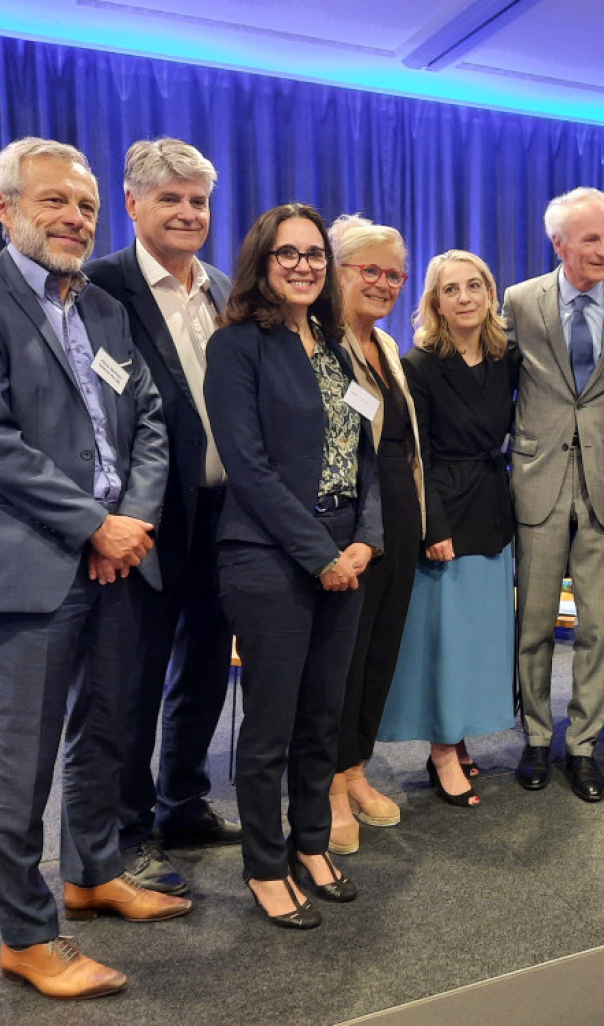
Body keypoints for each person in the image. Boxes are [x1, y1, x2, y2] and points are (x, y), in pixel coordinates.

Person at [0, 137, 189, 1001]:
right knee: (23, 757)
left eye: (84, 206)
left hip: (121, 558)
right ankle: (28, 935)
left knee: (107, 732)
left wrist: (134, 524)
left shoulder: (105, 309)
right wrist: (92, 527)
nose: (74, 218)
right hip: (36, 561)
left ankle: (91, 874)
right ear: (4, 208)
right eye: (54, 202)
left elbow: (149, 419)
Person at [204, 203, 383, 927]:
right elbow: (247, 468)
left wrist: (365, 540)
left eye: (314, 254)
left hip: (347, 555)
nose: (304, 264)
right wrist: (320, 556)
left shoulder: (339, 348)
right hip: (270, 558)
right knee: (271, 725)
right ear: (262, 262)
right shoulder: (237, 345)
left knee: (321, 718)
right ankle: (264, 864)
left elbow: (366, 458)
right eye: (289, 253)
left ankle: (312, 842)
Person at [84, 138, 239, 900]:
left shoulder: (221, 286)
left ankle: (184, 802)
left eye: (199, 201)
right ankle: (125, 832)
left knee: (207, 667)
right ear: (133, 203)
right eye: (171, 198)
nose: (187, 212)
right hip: (142, 519)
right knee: (133, 681)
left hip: (222, 514)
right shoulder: (98, 285)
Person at [503, 187, 604, 802]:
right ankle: (537, 738)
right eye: (590, 238)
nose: (603, 249)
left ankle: (584, 745)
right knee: (533, 624)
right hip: (537, 484)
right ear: (559, 243)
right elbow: (496, 381)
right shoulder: (520, 300)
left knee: (599, 625)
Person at [377, 250, 519, 807]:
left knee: (477, 641)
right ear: (434, 302)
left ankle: (456, 737)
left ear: (489, 293)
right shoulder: (419, 365)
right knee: (443, 643)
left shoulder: (507, 358)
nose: (464, 298)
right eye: (451, 289)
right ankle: (440, 753)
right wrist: (432, 525)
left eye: (474, 286)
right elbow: (418, 455)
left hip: (492, 507)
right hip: (444, 514)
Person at [326, 214, 425, 853]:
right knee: (342, 657)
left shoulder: (385, 346)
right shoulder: (317, 345)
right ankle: (328, 783)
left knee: (379, 652)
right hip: (347, 526)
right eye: (371, 270)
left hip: (398, 520)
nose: (385, 283)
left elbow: (408, 446)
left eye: (395, 274)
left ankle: (356, 768)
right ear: (335, 271)